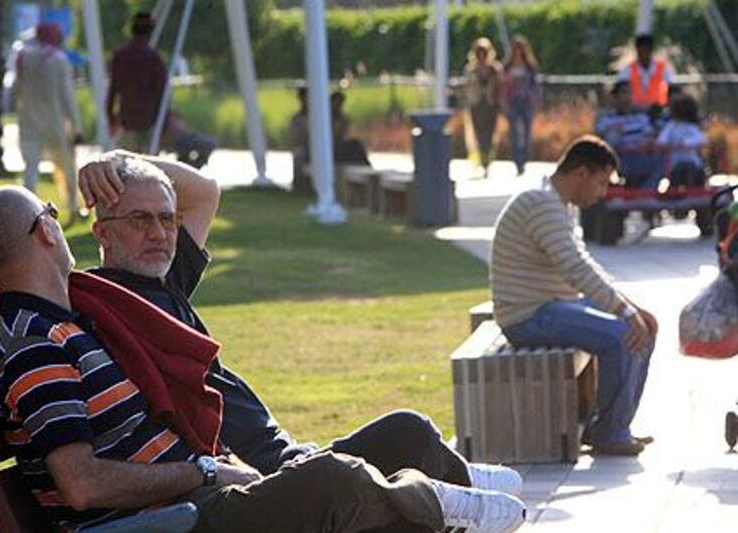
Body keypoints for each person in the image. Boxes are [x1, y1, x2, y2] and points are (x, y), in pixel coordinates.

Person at [0, 185, 527, 533]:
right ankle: (439, 502)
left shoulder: (69, 320)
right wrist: (206, 469)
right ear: (43, 233)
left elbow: (195, 192)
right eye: (53, 213)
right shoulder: (33, 342)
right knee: (335, 484)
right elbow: (81, 486)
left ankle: (441, 505)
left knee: (397, 438)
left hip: (198, 497)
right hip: (167, 521)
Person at [78, 149, 525, 487]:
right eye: (139, 220)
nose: (158, 233)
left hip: (293, 456)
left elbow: (204, 193)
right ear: (103, 232)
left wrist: (121, 160)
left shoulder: (166, 280)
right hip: (269, 475)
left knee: (414, 450)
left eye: (166, 220)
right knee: (410, 435)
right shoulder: (104, 305)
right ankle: (461, 485)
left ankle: (458, 484)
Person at [490, 135, 659, 456]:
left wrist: (632, 307)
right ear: (580, 173)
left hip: (552, 304)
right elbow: (576, 269)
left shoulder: (557, 204)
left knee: (644, 326)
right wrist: (624, 313)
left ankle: (611, 426)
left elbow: (584, 267)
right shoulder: (541, 204)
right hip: (528, 315)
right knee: (624, 333)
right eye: (600, 183)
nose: (603, 193)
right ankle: (610, 434)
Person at [15, 22, 83, 219]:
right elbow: (67, 96)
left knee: (30, 167)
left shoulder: (23, 56)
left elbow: (17, 89)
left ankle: (27, 209)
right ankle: (73, 206)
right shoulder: (58, 59)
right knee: (66, 164)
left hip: (29, 119)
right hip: (55, 121)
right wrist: (76, 126)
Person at [107, 12, 167, 152]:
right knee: (148, 168)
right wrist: (163, 124)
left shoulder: (120, 55)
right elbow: (161, 93)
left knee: (126, 168)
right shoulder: (154, 58)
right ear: (150, 32)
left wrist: (111, 118)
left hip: (126, 120)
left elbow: (113, 90)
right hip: (148, 121)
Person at [595, 80, 663, 189]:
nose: (628, 97)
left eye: (631, 93)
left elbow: (651, 134)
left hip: (642, 155)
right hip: (620, 158)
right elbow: (601, 137)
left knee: (662, 158)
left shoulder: (641, 118)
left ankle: (646, 193)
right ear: (615, 97)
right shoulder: (607, 119)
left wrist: (649, 142)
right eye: (624, 92)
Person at [501, 35, 539, 176]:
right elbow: (502, 85)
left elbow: (535, 86)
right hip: (512, 102)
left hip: (526, 102)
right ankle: (517, 161)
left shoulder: (529, 66)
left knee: (527, 133)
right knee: (514, 134)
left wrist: (536, 101)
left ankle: (524, 160)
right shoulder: (507, 66)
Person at [464, 37, 502, 176]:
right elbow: (467, 88)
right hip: (476, 105)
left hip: (491, 105)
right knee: (478, 133)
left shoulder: (494, 69)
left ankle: (487, 160)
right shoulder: (471, 70)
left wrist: (499, 103)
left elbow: (500, 87)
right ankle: (480, 159)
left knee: (490, 134)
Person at [656, 93, 707, 188]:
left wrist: (685, 143)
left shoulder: (692, 127)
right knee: (678, 172)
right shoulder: (671, 126)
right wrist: (671, 146)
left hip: (693, 163)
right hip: (675, 163)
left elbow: (701, 140)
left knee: (691, 170)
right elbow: (661, 142)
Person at [616, 34, 674, 113]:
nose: (644, 52)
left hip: (659, 111)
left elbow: (668, 89)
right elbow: (621, 90)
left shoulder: (663, 69)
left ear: (651, 50)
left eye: (647, 48)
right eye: (642, 48)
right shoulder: (627, 70)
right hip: (634, 112)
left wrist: (661, 105)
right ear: (637, 50)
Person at [330, 90, 371, 166]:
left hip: (339, 145)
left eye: (340, 103)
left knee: (356, 144)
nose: (338, 106)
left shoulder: (344, 118)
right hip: (330, 146)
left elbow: (343, 134)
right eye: (336, 103)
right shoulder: (325, 119)